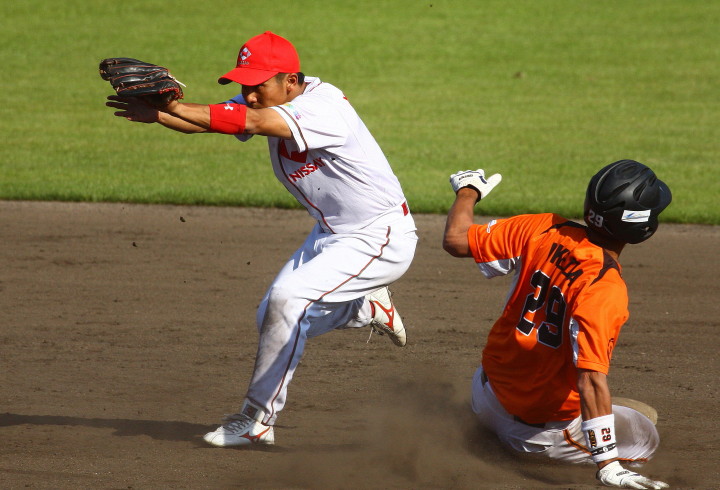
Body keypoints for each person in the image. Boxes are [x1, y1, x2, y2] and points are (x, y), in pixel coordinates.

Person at [105, 31, 418, 447]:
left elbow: (249, 121)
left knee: (288, 300)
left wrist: (175, 105)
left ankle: (256, 420)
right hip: (333, 234)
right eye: (244, 85)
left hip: (379, 234)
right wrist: (160, 114)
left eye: (258, 86)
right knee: (272, 317)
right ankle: (363, 307)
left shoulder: (322, 108)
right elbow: (211, 121)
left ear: (291, 81)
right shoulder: (270, 99)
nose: (249, 96)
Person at [442, 161, 671, 489]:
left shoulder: (543, 227)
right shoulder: (605, 288)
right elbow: (590, 379)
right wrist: (608, 464)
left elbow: (456, 239)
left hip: (484, 394)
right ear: (643, 227)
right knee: (645, 434)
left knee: (617, 408)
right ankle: (504, 450)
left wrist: (468, 190)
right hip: (535, 433)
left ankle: (492, 424)